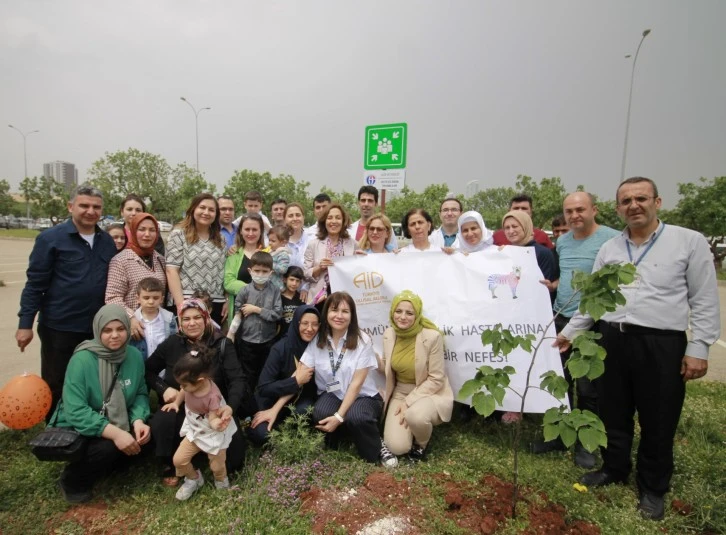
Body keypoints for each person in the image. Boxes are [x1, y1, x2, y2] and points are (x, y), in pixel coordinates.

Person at [556, 177, 720, 521]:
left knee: (658, 417)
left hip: (661, 343)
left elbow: (704, 298)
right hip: (612, 340)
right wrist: (570, 333)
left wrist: (700, 346)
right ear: (618, 208)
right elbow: (593, 300)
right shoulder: (611, 249)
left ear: (657, 202)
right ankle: (614, 468)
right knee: (613, 412)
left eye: (641, 198)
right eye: (626, 201)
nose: (634, 205)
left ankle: (653, 488)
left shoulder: (687, 242)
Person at [532, 192, 619, 467]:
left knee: (589, 387)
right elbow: (565, 276)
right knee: (559, 381)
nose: (574, 216)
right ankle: (560, 434)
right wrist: (553, 287)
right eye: (569, 211)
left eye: (580, 209)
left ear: (594, 209)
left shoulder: (611, 239)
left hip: (594, 323)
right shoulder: (564, 241)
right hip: (561, 317)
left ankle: (586, 443)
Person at [17, 185, 117, 419]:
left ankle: (89, 421)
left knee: (92, 378)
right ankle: (55, 427)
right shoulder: (50, 239)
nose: (90, 211)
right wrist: (25, 324)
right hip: (60, 326)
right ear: (70, 206)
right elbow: (35, 284)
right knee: (58, 379)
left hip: (96, 328)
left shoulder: (106, 242)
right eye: (84, 205)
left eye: (96, 207)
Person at [51, 304, 150, 503]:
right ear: (98, 330)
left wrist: (139, 420)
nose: (115, 335)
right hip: (82, 425)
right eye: (107, 330)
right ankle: (73, 481)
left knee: (151, 432)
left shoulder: (133, 356)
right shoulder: (82, 360)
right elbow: (76, 410)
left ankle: (113, 464)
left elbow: (140, 393)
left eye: (120, 329)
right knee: (107, 448)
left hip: (118, 417)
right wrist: (116, 433)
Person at [146, 299, 249, 485]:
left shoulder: (221, 344)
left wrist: (231, 408)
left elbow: (237, 380)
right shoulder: (172, 344)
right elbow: (149, 370)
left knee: (235, 462)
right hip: (183, 406)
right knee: (163, 420)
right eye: (186, 319)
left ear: (206, 318)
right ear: (179, 321)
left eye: (197, 318)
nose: (191, 323)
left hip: (215, 408)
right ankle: (171, 463)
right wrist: (164, 389)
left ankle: (208, 456)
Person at [299, 292, 395, 467]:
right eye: (334, 310)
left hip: (362, 395)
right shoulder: (318, 339)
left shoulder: (362, 340)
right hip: (333, 393)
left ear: (352, 316)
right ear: (326, 312)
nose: (339, 316)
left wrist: (338, 415)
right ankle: (344, 439)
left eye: (345, 311)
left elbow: (357, 384)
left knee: (357, 417)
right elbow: (302, 369)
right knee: (320, 413)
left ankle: (376, 446)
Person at [499, 209, 558, 424]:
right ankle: (514, 406)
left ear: (527, 227)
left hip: (534, 317)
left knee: (533, 360)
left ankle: (536, 403)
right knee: (514, 360)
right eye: (507, 227)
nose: (511, 230)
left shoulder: (542, 253)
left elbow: (550, 285)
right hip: (511, 315)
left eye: (516, 226)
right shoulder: (504, 252)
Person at [380, 291, 453, 462]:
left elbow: (436, 378)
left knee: (415, 416)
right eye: (398, 311)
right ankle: (409, 432)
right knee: (397, 447)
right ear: (392, 312)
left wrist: (408, 402)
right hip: (400, 391)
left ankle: (420, 444)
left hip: (430, 392)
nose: (403, 317)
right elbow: (387, 366)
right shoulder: (389, 334)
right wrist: (372, 360)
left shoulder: (432, 337)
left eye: (409, 313)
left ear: (417, 315)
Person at [162, 346, 238, 499]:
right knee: (179, 460)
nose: (181, 388)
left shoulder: (212, 396)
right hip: (195, 429)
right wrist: (176, 403)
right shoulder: (188, 386)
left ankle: (221, 482)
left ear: (200, 381)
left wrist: (217, 424)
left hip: (211, 432)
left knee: (217, 465)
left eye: (184, 385)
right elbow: (183, 392)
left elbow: (212, 417)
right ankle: (193, 478)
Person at [249, 305, 320, 445]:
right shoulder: (281, 348)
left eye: (315, 324)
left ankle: (289, 430)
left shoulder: (319, 347)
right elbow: (264, 387)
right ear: (296, 323)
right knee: (261, 436)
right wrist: (295, 381)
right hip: (272, 401)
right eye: (305, 323)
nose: (310, 329)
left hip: (300, 401)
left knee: (305, 411)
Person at [228, 251, 282, 405]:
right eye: (257, 271)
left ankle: (263, 403)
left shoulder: (275, 290)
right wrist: (231, 334)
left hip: (267, 340)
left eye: (265, 272)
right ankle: (248, 405)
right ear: (250, 271)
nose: (260, 274)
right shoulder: (244, 290)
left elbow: (277, 314)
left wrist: (257, 310)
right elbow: (238, 313)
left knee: (264, 373)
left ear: (271, 273)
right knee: (248, 374)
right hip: (247, 340)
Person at [166, 193, 227, 325]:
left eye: (211, 210)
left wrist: (226, 299)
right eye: (202, 207)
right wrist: (181, 306)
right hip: (188, 301)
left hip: (216, 302)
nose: (206, 212)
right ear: (193, 209)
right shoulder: (179, 235)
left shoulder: (220, 239)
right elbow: (172, 271)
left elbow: (223, 272)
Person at [106, 212, 167, 341]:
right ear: (133, 231)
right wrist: (131, 318)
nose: (147, 234)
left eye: (152, 230)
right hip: (133, 330)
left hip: (158, 328)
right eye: (142, 229)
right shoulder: (121, 260)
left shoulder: (160, 259)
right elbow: (112, 297)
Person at [304, 203, 359, 305]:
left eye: (338, 218)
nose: (334, 221)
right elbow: (305, 274)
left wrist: (361, 259)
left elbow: (358, 272)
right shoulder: (313, 244)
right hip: (319, 299)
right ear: (324, 221)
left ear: (343, 222)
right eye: (330, 218)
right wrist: (319, 267)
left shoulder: (353, 244)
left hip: (344, 297)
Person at [223, 213, 268, 326]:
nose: (250, 233)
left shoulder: (269, 254)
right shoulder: (234, 254)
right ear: (241, 231)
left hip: (263, 311)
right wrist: (252, 290)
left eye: (254, 229)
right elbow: (228, 282)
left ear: (261, 231)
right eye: (247, 229)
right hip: (240, 313)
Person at [129, 277, 177, 360]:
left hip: (162, 369)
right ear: (138, 299)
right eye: (146, 298)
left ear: (161, 299)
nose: (151, 302)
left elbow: (175, 344)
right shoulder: (133, 321)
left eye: (155, 298)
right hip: (140, 366)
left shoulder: (169, 318)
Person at [278, 266, 305, 339]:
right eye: (292, 279)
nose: (294, 283)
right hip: (281, 337)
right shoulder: (278, 298)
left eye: (297, 281)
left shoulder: (302, 298)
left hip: (297, 336)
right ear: (284, 279)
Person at [268, 225, 292, 291]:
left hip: (277, 288)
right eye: (269, 240)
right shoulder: (271, 252)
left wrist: (269, 263)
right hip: (268, 286)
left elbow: (283, 269)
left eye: (273, 241)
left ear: (283, 242)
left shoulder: (283, 254)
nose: (270, 243)